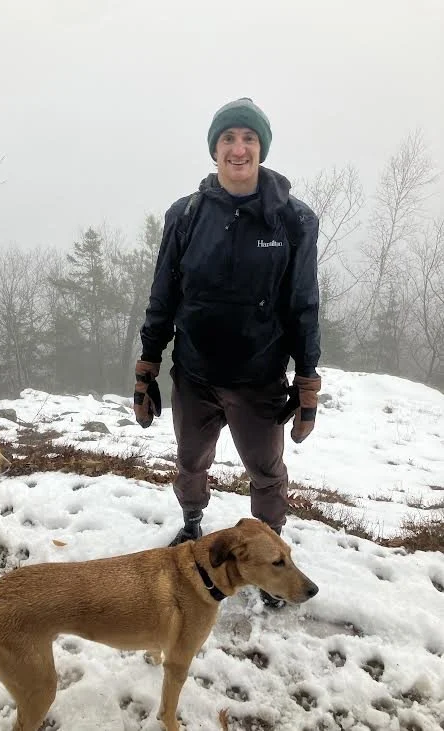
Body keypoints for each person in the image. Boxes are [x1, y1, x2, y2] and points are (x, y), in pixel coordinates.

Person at [133, 97, 321, 607]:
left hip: (258, 379)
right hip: (194, 374)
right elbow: (164, 294)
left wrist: (307, 382)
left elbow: (303, 304)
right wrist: (147, 367)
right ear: (215, 149)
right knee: (191, 461)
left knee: (267, 474)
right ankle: (192, 522)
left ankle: (272, 561)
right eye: (228, 139)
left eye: (249, 139)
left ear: (262, 148)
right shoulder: (186, 215)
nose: (239, 149)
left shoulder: (294, 220)